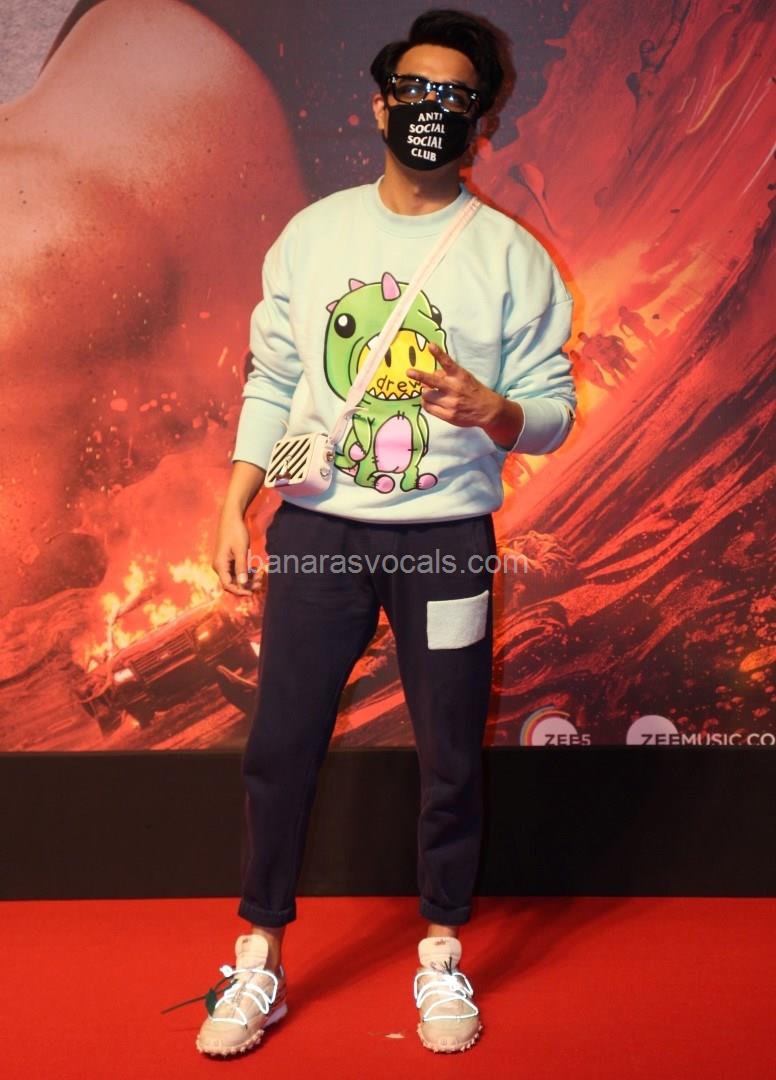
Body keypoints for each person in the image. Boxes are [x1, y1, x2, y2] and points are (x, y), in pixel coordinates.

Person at [204, 8, 577, 1058]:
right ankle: (258, 956)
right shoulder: (314, 235)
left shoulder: (510, 258)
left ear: (481, 122)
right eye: (414, 91)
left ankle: (442, 952)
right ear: (379, 107)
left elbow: (553, 409)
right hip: (317, 532)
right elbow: (276, 380)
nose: (430, 110)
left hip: (444, 539)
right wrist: (236, 502)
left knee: (450, 751)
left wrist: (494, 410)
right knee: (281, 744)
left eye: (454, 97)